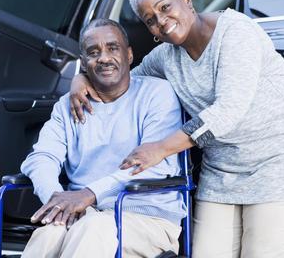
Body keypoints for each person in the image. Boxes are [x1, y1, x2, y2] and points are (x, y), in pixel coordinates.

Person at [69, 0, 284, 258]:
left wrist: (160, 149)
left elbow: (228, 111)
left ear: (186, 0)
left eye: (165, 7)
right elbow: (125, 82)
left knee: (261, 252)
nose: (161, 21)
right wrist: (83, 79)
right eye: (150, 19)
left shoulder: (235, 32)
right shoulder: (165, 57)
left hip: (283, 155)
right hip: (224, 168)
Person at [20, 18, 186, 258]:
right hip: (87, 213)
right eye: (93, 52)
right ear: (84, 64)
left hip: (147, 218)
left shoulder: (157, 94)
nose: (104, 58)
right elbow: (41, 157)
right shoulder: (67, 105)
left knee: (92, 229)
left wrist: (88, 194)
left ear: (129, 55)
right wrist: (57, 202)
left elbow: (152, 166)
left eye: (112, 48)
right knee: (50, 233)